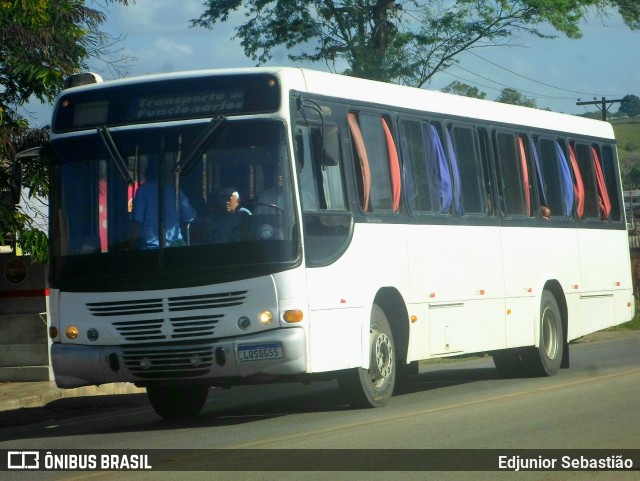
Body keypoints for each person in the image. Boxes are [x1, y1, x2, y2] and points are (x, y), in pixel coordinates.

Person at [130, 162, 197, 249]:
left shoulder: (143, 190)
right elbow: (190, 217)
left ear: (147, 176)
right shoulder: (176, 191)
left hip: (149, 248)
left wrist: (129, 245)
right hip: (176, 246)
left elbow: (137, 222)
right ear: (165, 176)